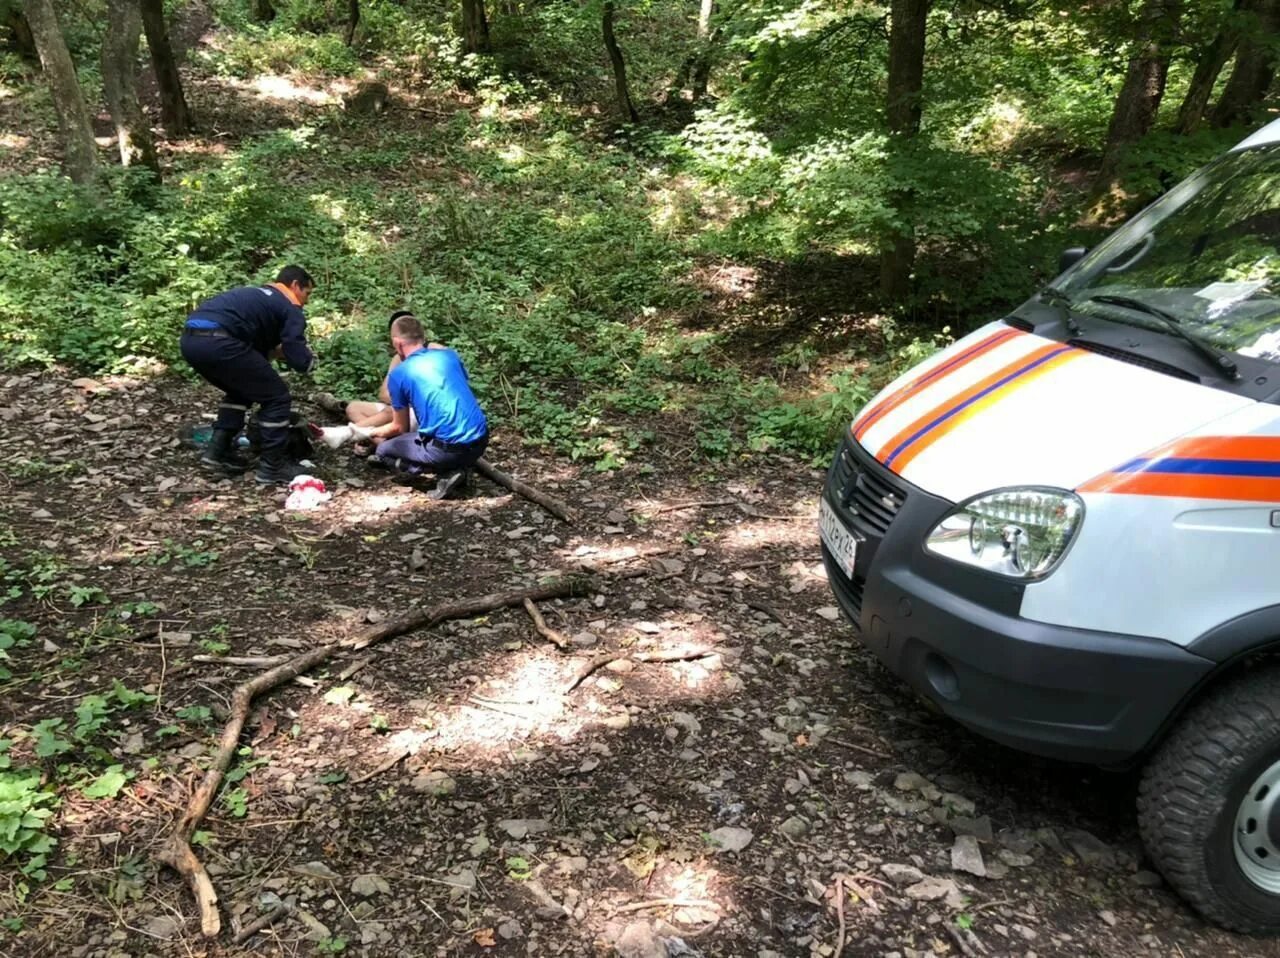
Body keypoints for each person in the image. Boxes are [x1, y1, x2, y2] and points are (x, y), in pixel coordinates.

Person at [179, 266, 317, 485]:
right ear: (294, 286)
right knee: (277, 398)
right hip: (221, 342)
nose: (305, 301)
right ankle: (272, 467)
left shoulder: (256, 297)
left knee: (241, 390)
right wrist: (310, 363)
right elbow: (297, 352)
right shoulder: (289, 306)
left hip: (191, 342)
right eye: (307, 293)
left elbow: (259, 351)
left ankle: (217, 452)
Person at [364, 312, 488, 500]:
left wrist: (370, 432)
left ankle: (442, 473)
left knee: (383, 451)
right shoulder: (449, 356)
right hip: (480, 441)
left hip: (447, 450)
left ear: (397, 343)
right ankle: (457, 467)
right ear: (422, 337)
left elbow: (399, 427)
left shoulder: (399, 374)